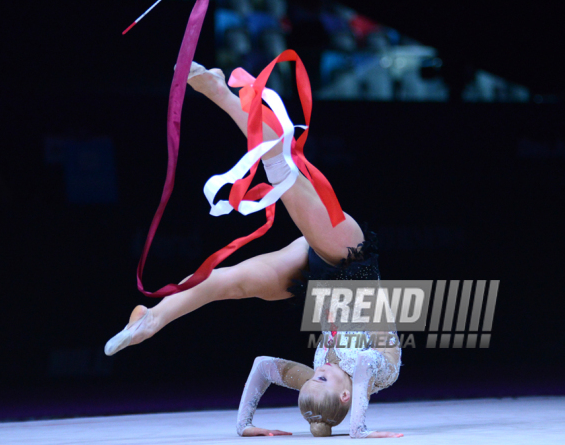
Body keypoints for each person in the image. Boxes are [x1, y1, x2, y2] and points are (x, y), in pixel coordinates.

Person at [105, 62, 402, 438]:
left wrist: (245, 425)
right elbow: (359, 371)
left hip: (314, 279)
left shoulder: (319, 379)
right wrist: (358, 431)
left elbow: (264, 366)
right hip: (349, 260)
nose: (316, 374)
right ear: (346, 396)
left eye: (311, 380)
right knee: (282, 173)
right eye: (321, 380)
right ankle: (221, 93)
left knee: (227, 283)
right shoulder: (379, 372)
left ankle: (152, 319)